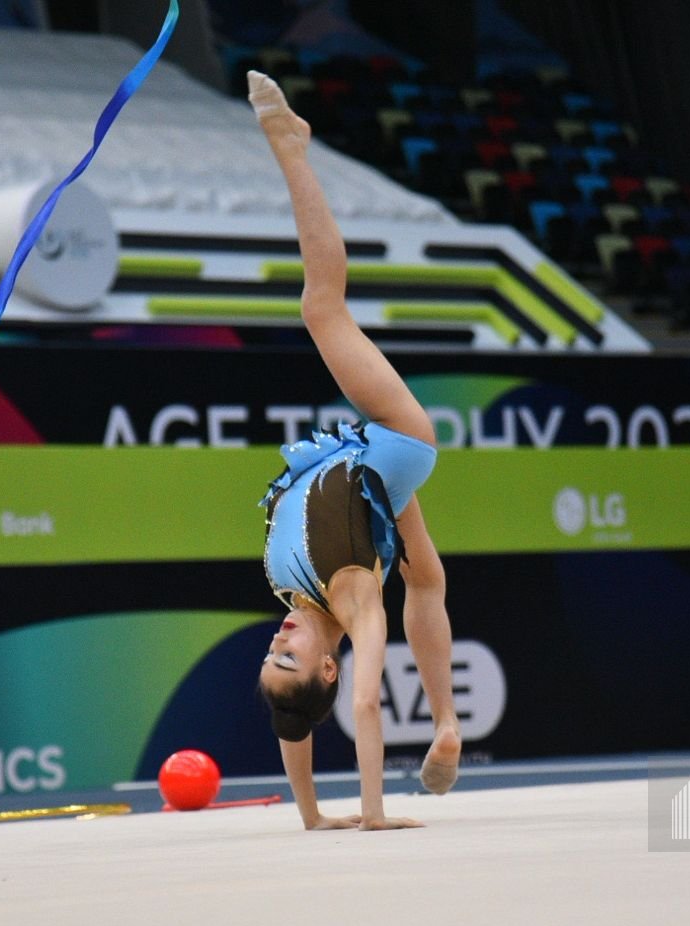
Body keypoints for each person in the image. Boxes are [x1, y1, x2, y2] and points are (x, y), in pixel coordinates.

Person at [249, 71, 462, 832]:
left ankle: (448, 725)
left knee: (428, 575)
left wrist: (313, 818)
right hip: (396, 441)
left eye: (269, 657)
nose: (276, 643)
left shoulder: (292, 597)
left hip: (361, 482)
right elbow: (364, 701)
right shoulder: (353, 601)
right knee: (321, 307)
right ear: (327, 667)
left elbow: (293, 723)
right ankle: (291, 149)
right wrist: (370, 814)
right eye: (289, 659)